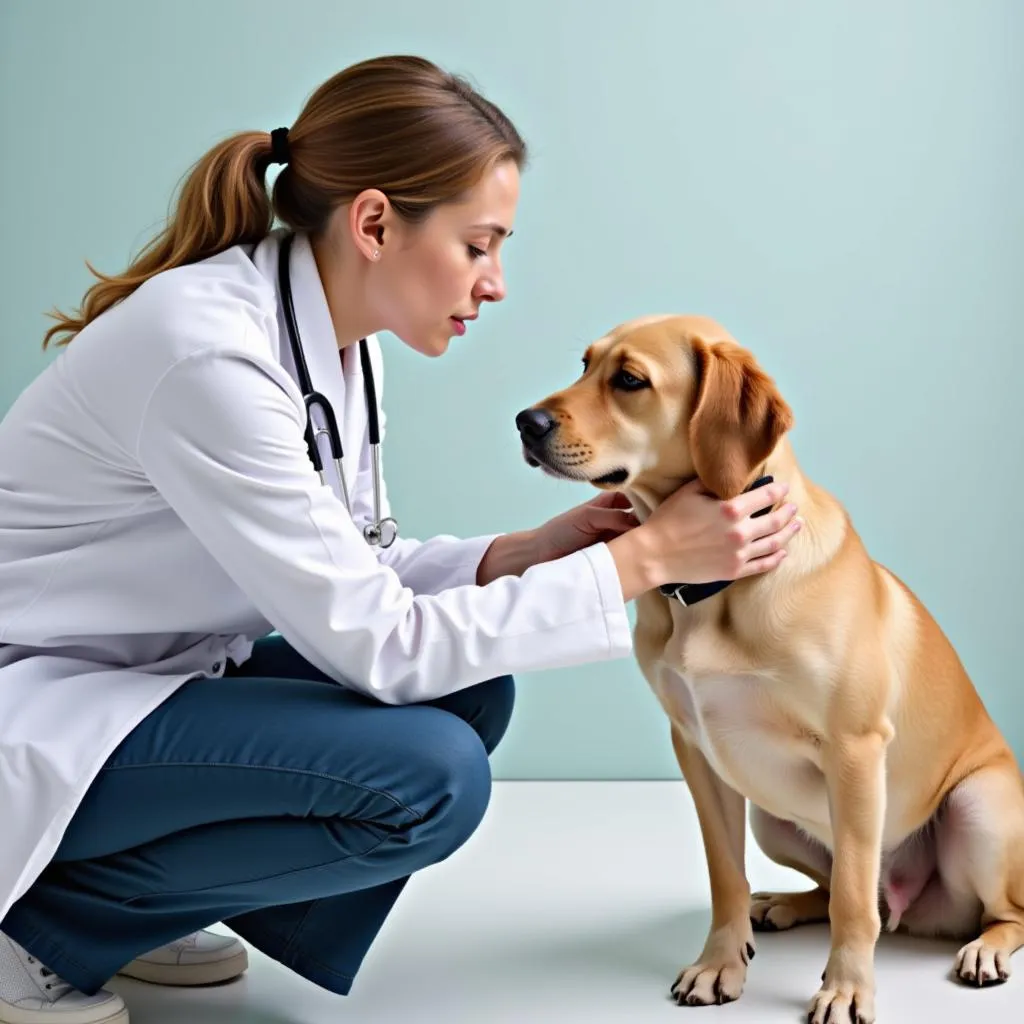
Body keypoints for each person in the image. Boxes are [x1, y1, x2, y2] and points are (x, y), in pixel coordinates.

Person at [0, 54, 800, 1024]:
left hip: (143, 686)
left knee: (472, 691)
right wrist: (644, 561)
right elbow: (377, 645)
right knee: (431, 776)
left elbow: (351, 570)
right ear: (375, 223)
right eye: (479, 244)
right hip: (41, 699)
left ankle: (133, 905)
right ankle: (42, 929)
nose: (496, 283)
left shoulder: (338, 339)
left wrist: (527, 548)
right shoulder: (208, 352)